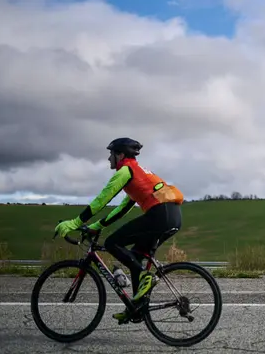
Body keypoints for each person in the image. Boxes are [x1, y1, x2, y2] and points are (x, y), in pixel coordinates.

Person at [54, 137, 185, 322]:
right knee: (135, 256)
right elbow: (122, 209)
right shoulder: (138, 174)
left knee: (111, 243)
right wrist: (95, 227)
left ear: (120, 155)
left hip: (159, 215)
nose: (109, 159)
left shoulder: (125, 171)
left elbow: (102, 200)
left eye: (111, 154)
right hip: (172, 216)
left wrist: (75, 223)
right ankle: (136, 308)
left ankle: (145, 278)